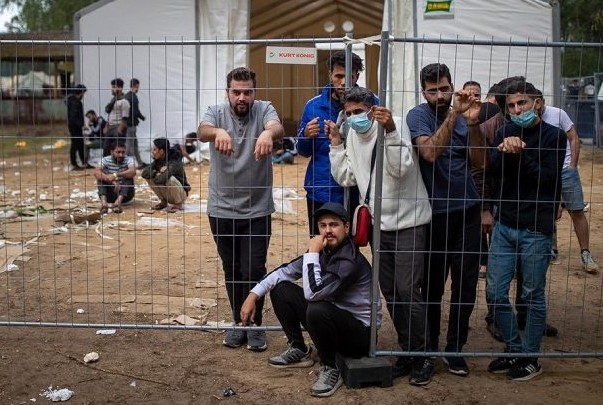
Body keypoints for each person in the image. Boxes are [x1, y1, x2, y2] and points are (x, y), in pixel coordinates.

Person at [327, 87, 433, 385]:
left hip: (409, 222)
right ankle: (407, 351)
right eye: (348, 113)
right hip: (378, 226)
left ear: (372, 110)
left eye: (359, 112)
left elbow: (400, 169)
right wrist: (336, 144)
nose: (353, 118)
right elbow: (347, 176)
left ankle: (422, 354)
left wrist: (390, 132)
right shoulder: (351, 134)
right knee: (390, 290)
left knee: (408, 289)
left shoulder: (394, 124)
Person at [240, 202, 380, 397]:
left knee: (317, 308)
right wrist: (253, 295)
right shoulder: (325, 250)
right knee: (281, 289)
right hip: (334, 320)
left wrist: (313, 253)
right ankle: (299, 348)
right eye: (323, 225)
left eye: (334, 225)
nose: (328, 230)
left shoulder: (349, 260)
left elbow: (313, 293)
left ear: (346, 227)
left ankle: (330, 368)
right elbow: (285, 271)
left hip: (360, 336)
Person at [406, 63, 485, 376]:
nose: (439, 96)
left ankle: (455, 349)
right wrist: (454, 116)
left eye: (444, 89)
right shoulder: (418, 116)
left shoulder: (466, 117)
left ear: (453, 87)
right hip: (434, 215)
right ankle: (428, 349)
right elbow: (429, 153)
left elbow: (480, 161)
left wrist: (474, 124)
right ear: (423, 92)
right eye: (432, 90)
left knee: (465, 286)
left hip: (468, 212)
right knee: (432, 287)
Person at [198, 66, 284, 352]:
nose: (242, 98)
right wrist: (217, 131)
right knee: (232, 268)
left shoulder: (264, 109)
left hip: (257, 209)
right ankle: (239, 321)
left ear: (254, 92)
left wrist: (268, 134)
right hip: (221, 208)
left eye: (247, 92)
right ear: (228, 92)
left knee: (254, 268)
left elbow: (278, 126)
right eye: (236, 92)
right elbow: (202, 131)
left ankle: (255, 324)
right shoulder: (216, 112)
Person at [486, 78, 566, 381]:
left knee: (532, 295)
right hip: (505, 224)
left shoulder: (554, 136)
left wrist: (522, 154)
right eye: (512, 106)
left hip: (536, 227)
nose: (518, 109)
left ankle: (531, 357)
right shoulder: (504, 132)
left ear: (537, 103)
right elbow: (494, 170)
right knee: (495, 293)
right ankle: (514, 348)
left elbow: (548, 178)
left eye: (523, 103)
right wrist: (503, 151)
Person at [297, 51, 368, 235]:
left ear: (357, 76)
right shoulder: (313, 106)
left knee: (352, 242)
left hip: (358, 189)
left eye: (349, 76)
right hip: (322, 189)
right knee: (320, 241)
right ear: (330, 75)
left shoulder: (371, 103)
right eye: (338, 76)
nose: (343, 82)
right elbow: (302, 151)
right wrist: (306, 136)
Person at [537, 95, 599, 273]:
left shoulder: (558, 114)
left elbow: (574, 138)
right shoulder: (527, 118)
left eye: (538, 103)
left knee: (577, 210)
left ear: (541, 101)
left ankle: (585, 253)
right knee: (546, 209)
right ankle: (551, 249)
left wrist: (572, 166)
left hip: (565, 169)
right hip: (544, 171)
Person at [141, 137, 190, 213]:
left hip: (181, 194)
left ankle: (178, 204)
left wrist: (159, 174)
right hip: (168, 194)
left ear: (161, 151)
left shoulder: (175, 161)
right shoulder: (158, 160)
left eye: (154, 149)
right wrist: (156, 173)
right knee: (149, 178)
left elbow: (163, 178)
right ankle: (163, 202)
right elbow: (144, 173)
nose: (152, 152)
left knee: (170, 179)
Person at [92, 139, 136, 214]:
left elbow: (133, 172)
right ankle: (104, 204)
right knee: (101, 178)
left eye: (123, 152)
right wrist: (112, 182)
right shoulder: (105, 160)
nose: (121, 155)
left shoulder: (128, 159)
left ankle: (117, 204)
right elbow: (96, 172)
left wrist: (116, 175)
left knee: (129, 177)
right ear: (112, 152)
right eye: (118, 152)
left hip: (126, 196)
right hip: (110, 195)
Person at [103, 78, 130, 156]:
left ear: (120, 88)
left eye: (114, 87)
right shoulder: (113, 100)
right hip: (110, 127)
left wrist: (120, 129)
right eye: (112, 87)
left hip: (118, 127)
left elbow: (125, 117)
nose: (112, 89)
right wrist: (106, 126)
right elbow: (110, 114)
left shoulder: (124, 101)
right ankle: (107, 163)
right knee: (106, 149)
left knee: (118, 149)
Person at [124, 78, 147, 168]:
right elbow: (135, 111)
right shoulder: (133, 97)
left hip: (128, 124)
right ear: (134, 86)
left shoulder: (126, 96)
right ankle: (123, 165)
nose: (138, 89)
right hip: (131, 124)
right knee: (129, 146)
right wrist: (142, 117)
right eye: (137, 87)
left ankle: (140, 162)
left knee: (134, 145)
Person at [66, 84, 89, 170]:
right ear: (81, 92)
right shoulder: (75, 102)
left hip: (74, 126)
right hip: (75, 127)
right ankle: (74, 163)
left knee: (79, 144)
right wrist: (81, 125)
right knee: (75, 144)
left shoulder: (72, 101)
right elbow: (74, 117)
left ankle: (83, 162)